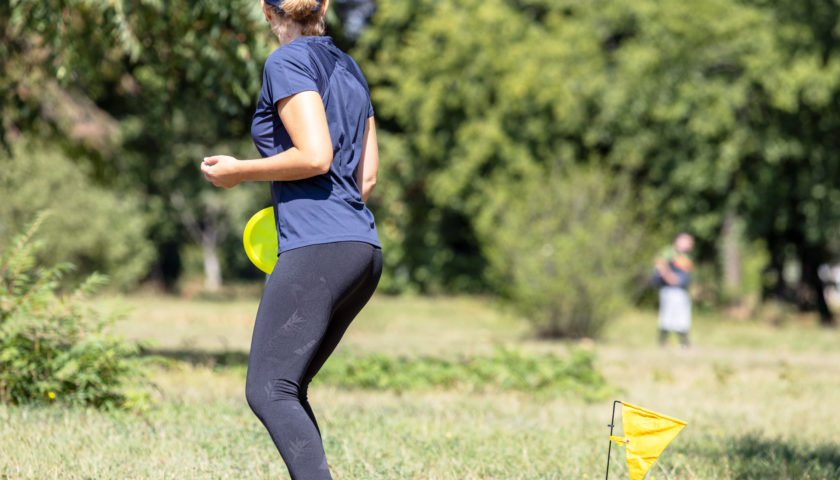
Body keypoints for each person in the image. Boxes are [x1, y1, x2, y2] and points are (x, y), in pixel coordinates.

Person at [200, 1, 381, 478]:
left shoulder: (287, 61)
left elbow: (316, 156)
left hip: (319, 246)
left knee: (269, 389)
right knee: (289, 387)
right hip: (361, 249)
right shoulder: (350, 67)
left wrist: (241, 171)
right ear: (323, 7)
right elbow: (366, 181)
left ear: (266, 11)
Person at [654, 233, 694, 348]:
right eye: (688, 241)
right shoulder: (670, 252)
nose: (691, 244)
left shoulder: (686, 256)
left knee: (682, 318)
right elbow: (660, 264)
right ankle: (662, 343)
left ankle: (684, 344)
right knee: (668, 317)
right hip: (671, 290)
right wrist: (669, 277)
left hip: (681, 291)